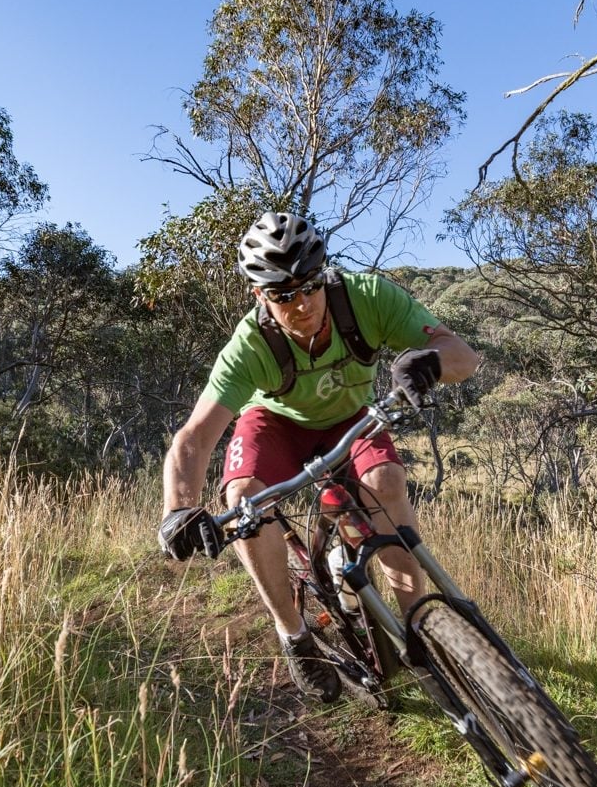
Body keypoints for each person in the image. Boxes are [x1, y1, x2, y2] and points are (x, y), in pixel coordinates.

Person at [158, 212, 479, 702]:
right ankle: (294, 634)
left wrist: (429, 360)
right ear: (259, 295)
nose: (302, 304)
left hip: (351, 418)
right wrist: (178, 509)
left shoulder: (367, 298)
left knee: (388, 482)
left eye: (310, 286)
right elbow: (194, 438)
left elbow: (463, 354)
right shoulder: (251, 344)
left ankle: (421, 628)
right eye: (283, 295)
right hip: (277, 425)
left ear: (325, 273)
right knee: (246, 499)